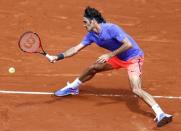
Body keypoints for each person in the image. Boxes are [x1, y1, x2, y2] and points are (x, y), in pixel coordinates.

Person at [47, 6, 172, 127]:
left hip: (133, 57)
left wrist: (109, 55)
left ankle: (161, 114)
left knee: (136, 89)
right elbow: (75, 49)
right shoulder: (91, 35)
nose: (83, 25)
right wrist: (57, 57)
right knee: (93, 68)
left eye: (85, 22)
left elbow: (128, 45)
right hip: (118, 58)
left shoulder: (111, 28)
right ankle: (72, 88)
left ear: (93, 21)